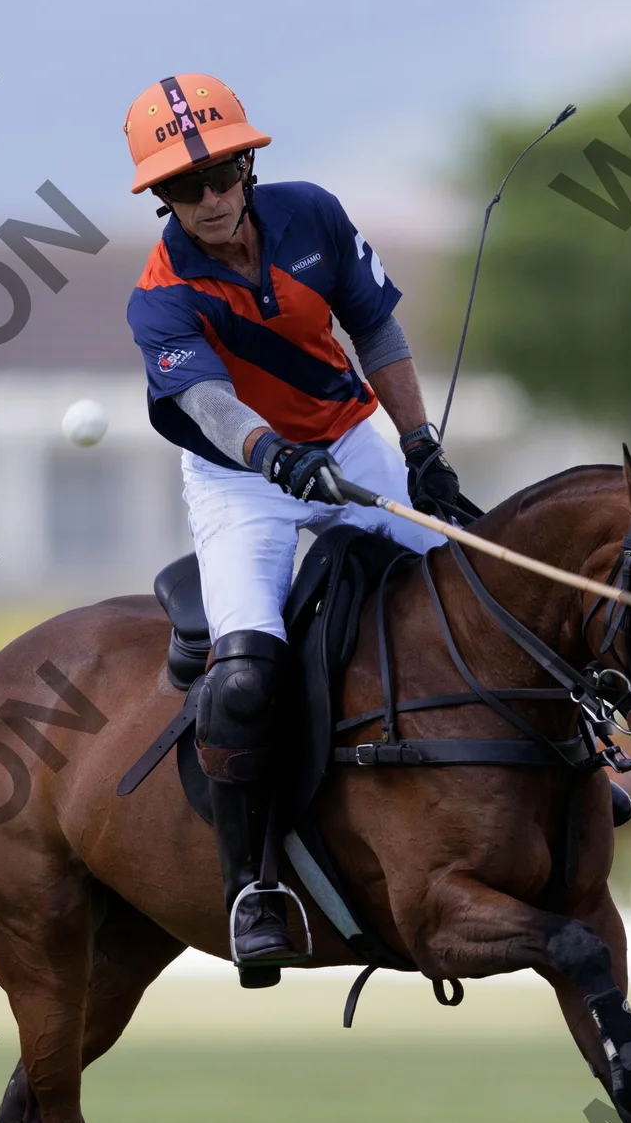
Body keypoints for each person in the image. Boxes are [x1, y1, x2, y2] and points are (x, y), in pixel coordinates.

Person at [122, 73, 475, 970]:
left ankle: (561, 769)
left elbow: (375, 330)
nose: (208, 199)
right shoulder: (160, 296)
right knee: (244, 675)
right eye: (183, 188)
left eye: (219, 176)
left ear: (246, 167)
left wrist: (419, 445)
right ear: (162, 198)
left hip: (350, 438)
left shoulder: (312, 215)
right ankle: (252, 887)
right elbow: (207, 403)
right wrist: (272, 454)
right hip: (238, 479)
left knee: (465, 595)